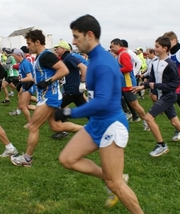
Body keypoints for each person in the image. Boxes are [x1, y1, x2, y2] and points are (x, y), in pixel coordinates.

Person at [54, 15, 143, 213]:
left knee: (115, 185)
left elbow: (102, 102)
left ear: (90, 35)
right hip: (97, 123)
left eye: (76, 37)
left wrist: (69, 112)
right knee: (67, 159)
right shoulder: (94, 59)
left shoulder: (102, 62)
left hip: (112, 125)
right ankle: (110, 176)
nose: (74, 42)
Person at [10, 29, 83, 167]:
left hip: (50, 97)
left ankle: (27, 159)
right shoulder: (40, 57)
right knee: (56, 126)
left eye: (29, 43)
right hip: (48, 96)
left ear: (37, 42)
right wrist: (34, 82)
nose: (28, 46)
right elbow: (44, 75)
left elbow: (64, 70)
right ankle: (90, 129)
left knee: (33, 127)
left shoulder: (46, 55)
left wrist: (48, 81)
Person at [132, 36, 180, 158]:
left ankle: (161, 145)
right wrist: (143, 86)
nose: (155, 49)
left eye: (157, 47)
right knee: (175, 123)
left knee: (148, 118)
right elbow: (152, 80)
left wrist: (156, 85)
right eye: (155, 46)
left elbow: (175, 84)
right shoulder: (155, 63)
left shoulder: (170, 64)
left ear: (165, 48)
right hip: (162, 96)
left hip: (168, 96)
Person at [51, 40, 88, 140]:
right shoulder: (65, 58)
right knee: (88, 111)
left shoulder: (69, 57)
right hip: (74, 91)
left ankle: (63, 130)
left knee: (56, 109)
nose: (56, 50)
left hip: (72, 90)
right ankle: (101, 127)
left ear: (63, 49)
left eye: (58, 48)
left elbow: (84, 67)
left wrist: (83, 82)